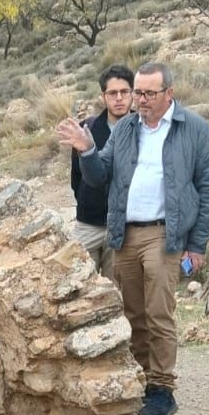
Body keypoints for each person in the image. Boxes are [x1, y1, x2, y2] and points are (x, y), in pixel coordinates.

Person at [55, 62, 209, 415]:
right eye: (138, 93)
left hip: (165, 234)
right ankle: (144, 381)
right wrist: (86, 150)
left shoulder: (194, 128)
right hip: (124, 233)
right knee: (132, 313)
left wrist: (197, 246)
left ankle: (163, 388)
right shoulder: (127, 128)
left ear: (169, 93)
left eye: (148, 93)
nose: (140, 100)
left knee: (158, 311)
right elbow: (99, 176)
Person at [69, 65, 135, 274]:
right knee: (79, 280)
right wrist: (86, 200)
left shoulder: (143, 129)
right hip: (88, 223)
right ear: (103, 96)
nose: (119, 98)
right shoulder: (87, 129)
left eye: (124, 92)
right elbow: (76, 177)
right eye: (112, 93)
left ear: (133, 94)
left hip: (123, 227)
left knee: (116, 287)